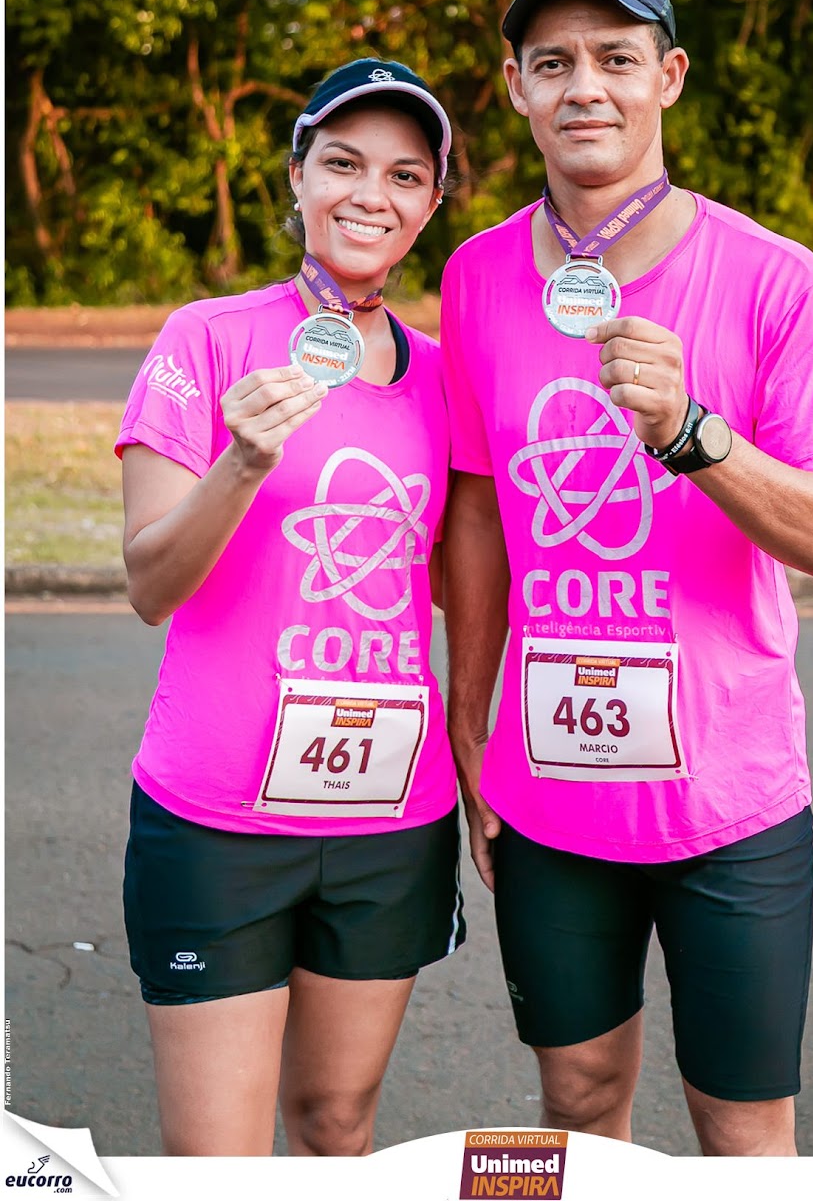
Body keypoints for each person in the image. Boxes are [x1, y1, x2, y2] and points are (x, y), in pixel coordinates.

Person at [440, 0, 813, 1157]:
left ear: (667, 77)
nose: (584, 86)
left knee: (740, 1130)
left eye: (615, 59)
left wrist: (691, 433)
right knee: (573, 1107)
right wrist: (468, 720)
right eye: (552, 63)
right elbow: (474, 508)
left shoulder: (775, 278)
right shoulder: (475, 275)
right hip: (546, 796)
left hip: (730, 802)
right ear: (517, 89)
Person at [115, 57, 464, 1157]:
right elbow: (150, 584)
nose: (372, 195)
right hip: (217, 821)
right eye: (344, 164)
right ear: (298, 178)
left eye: (404, 176)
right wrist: (242, 460)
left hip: (390, 820)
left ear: (430, 205)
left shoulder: (447, 377)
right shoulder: (207, 338)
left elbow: (464, 583)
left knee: (335, 1125)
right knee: (216, 1163)